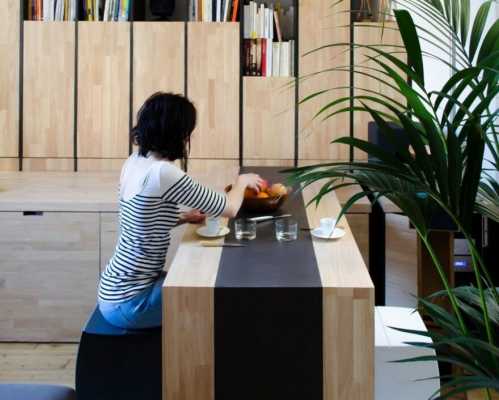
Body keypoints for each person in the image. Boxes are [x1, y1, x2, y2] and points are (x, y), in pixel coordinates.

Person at [98, 92, 263, 329]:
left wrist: (184, 217)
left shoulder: (135, 161)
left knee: (202, 281)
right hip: (131, 302)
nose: (188, 137)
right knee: (220, 299)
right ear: (178, 134)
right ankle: (195, 364)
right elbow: (229, 207)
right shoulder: (162, 172)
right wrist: (242, 181)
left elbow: (138, 219)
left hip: (115, 290)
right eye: (188, 131)